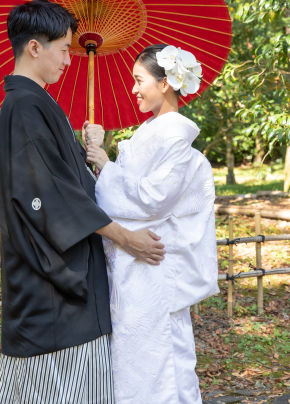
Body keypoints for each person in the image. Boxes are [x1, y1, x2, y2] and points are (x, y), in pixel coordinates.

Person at [0, 0, 166, 404]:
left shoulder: (35, 103)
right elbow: (53, 197)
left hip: (64, 274)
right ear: (34, 47)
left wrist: (91, 152)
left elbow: (68, 184)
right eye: (63, 49)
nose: (69, 61)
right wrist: (125, 237)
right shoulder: (24, 105)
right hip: (53, 285)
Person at [84, 44, 219, 404]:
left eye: (139, 80)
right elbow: (128, 188)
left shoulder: (173, 136)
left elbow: (151, 199)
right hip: (136, 264)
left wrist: (106, 165)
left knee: (159, 360)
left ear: (165, 84)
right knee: (136, 356)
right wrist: (101, 154)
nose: (134, 89)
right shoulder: (154, 131)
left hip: (152, 265)